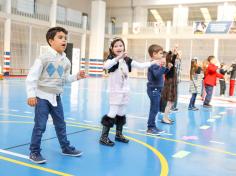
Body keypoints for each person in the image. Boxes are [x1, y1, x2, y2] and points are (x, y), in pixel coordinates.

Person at [26, 27, 86, 164]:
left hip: (56, 97)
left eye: (65, 38)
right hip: (41, 97)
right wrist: (31, 94)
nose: (64, 40)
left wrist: (76, 76)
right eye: (60, 37)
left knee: (60, 124)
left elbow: (64, 79)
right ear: (51, 41)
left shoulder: (66, 61)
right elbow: (32, 77)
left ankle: (66, 148)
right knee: (40, 126)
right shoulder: (43, 58)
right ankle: (34, 152)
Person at [99, 37, 156, 146]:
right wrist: (117, 58)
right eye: (116, 46)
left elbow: (140, 66)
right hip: (115, 91)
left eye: (121, 45)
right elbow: (106, 66)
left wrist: (153, 62)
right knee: (112, 112)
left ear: (124, 47)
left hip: (125, 91)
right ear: (111, 48)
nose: (119, 47)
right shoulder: (111, 60)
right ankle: (103, 137)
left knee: (121, 113)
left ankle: (118, 134)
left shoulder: (127, 60)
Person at [146, 44, 172, 135]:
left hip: (157, 89)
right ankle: (150, 127)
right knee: (154, 109)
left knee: (155, 108)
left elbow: (162, 73)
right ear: (154, 54)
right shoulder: (153, 64)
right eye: (160, 53)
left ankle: (152, 126)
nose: (162, 55)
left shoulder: (157, 64)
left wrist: (167, 68)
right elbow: (157, 74)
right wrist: (164, 66)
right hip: (154, 89)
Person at [161, 48, 179, 124]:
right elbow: (173, 59)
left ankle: (166, 117)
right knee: (170, 102)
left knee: (171, 103)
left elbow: (173, 58)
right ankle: (165, 118)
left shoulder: (170, 64)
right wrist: (173, 52)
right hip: (170, 85)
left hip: (172, 84)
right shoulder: (169, 65)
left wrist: (174, 52)